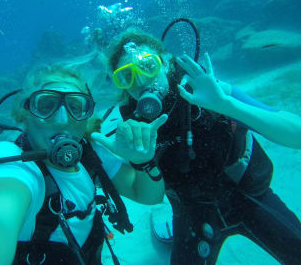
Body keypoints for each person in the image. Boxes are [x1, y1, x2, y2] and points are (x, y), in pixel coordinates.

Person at [0, 61, 166, 265]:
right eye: (46, 104)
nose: (62, 118)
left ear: (86, 115)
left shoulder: (92, 152)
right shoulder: (15, 164)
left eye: (76, 106)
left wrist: (142, 162)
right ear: (25, 113)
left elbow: (149, 195)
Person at [98, 28, 301, 264]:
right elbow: (146, 192)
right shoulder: (132, 126)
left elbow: (296, 134)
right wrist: (139, 160)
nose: (140, 81)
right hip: (193, 212)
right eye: (126, 76)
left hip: (248, 196)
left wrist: (227, 105)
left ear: (165, 62)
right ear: (120, 85)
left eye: (147, 66)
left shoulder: (210, 93)